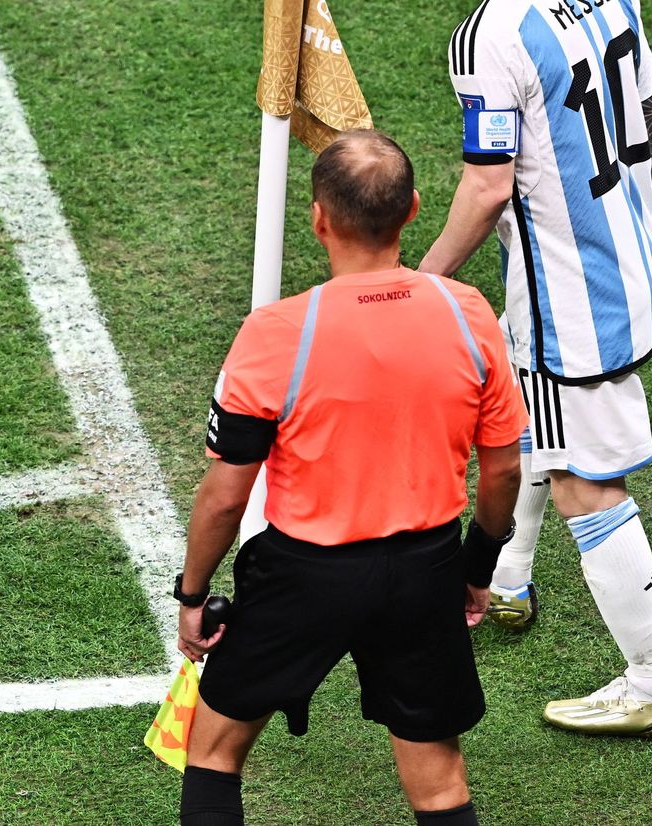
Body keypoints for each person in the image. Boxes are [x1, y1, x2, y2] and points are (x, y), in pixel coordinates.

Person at [417, 0, 652, 738]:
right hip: (633, 251)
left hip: (578, 296)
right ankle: (505, 581)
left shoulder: (488, 36)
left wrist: (425, 280)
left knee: (588, 483)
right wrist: (651, 211)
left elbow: (488, 183)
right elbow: (647, 110)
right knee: (528, 403)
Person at [173, 130, 526, 826]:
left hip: (303, 576)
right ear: (414, 209)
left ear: (317, 219)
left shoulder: (275, 333)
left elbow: (224, 497)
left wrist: (191, 593)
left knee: (213, 753)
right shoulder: (469, 313)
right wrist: (475, 565)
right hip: (423, 571)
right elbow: (504, 468)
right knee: (440, 784)